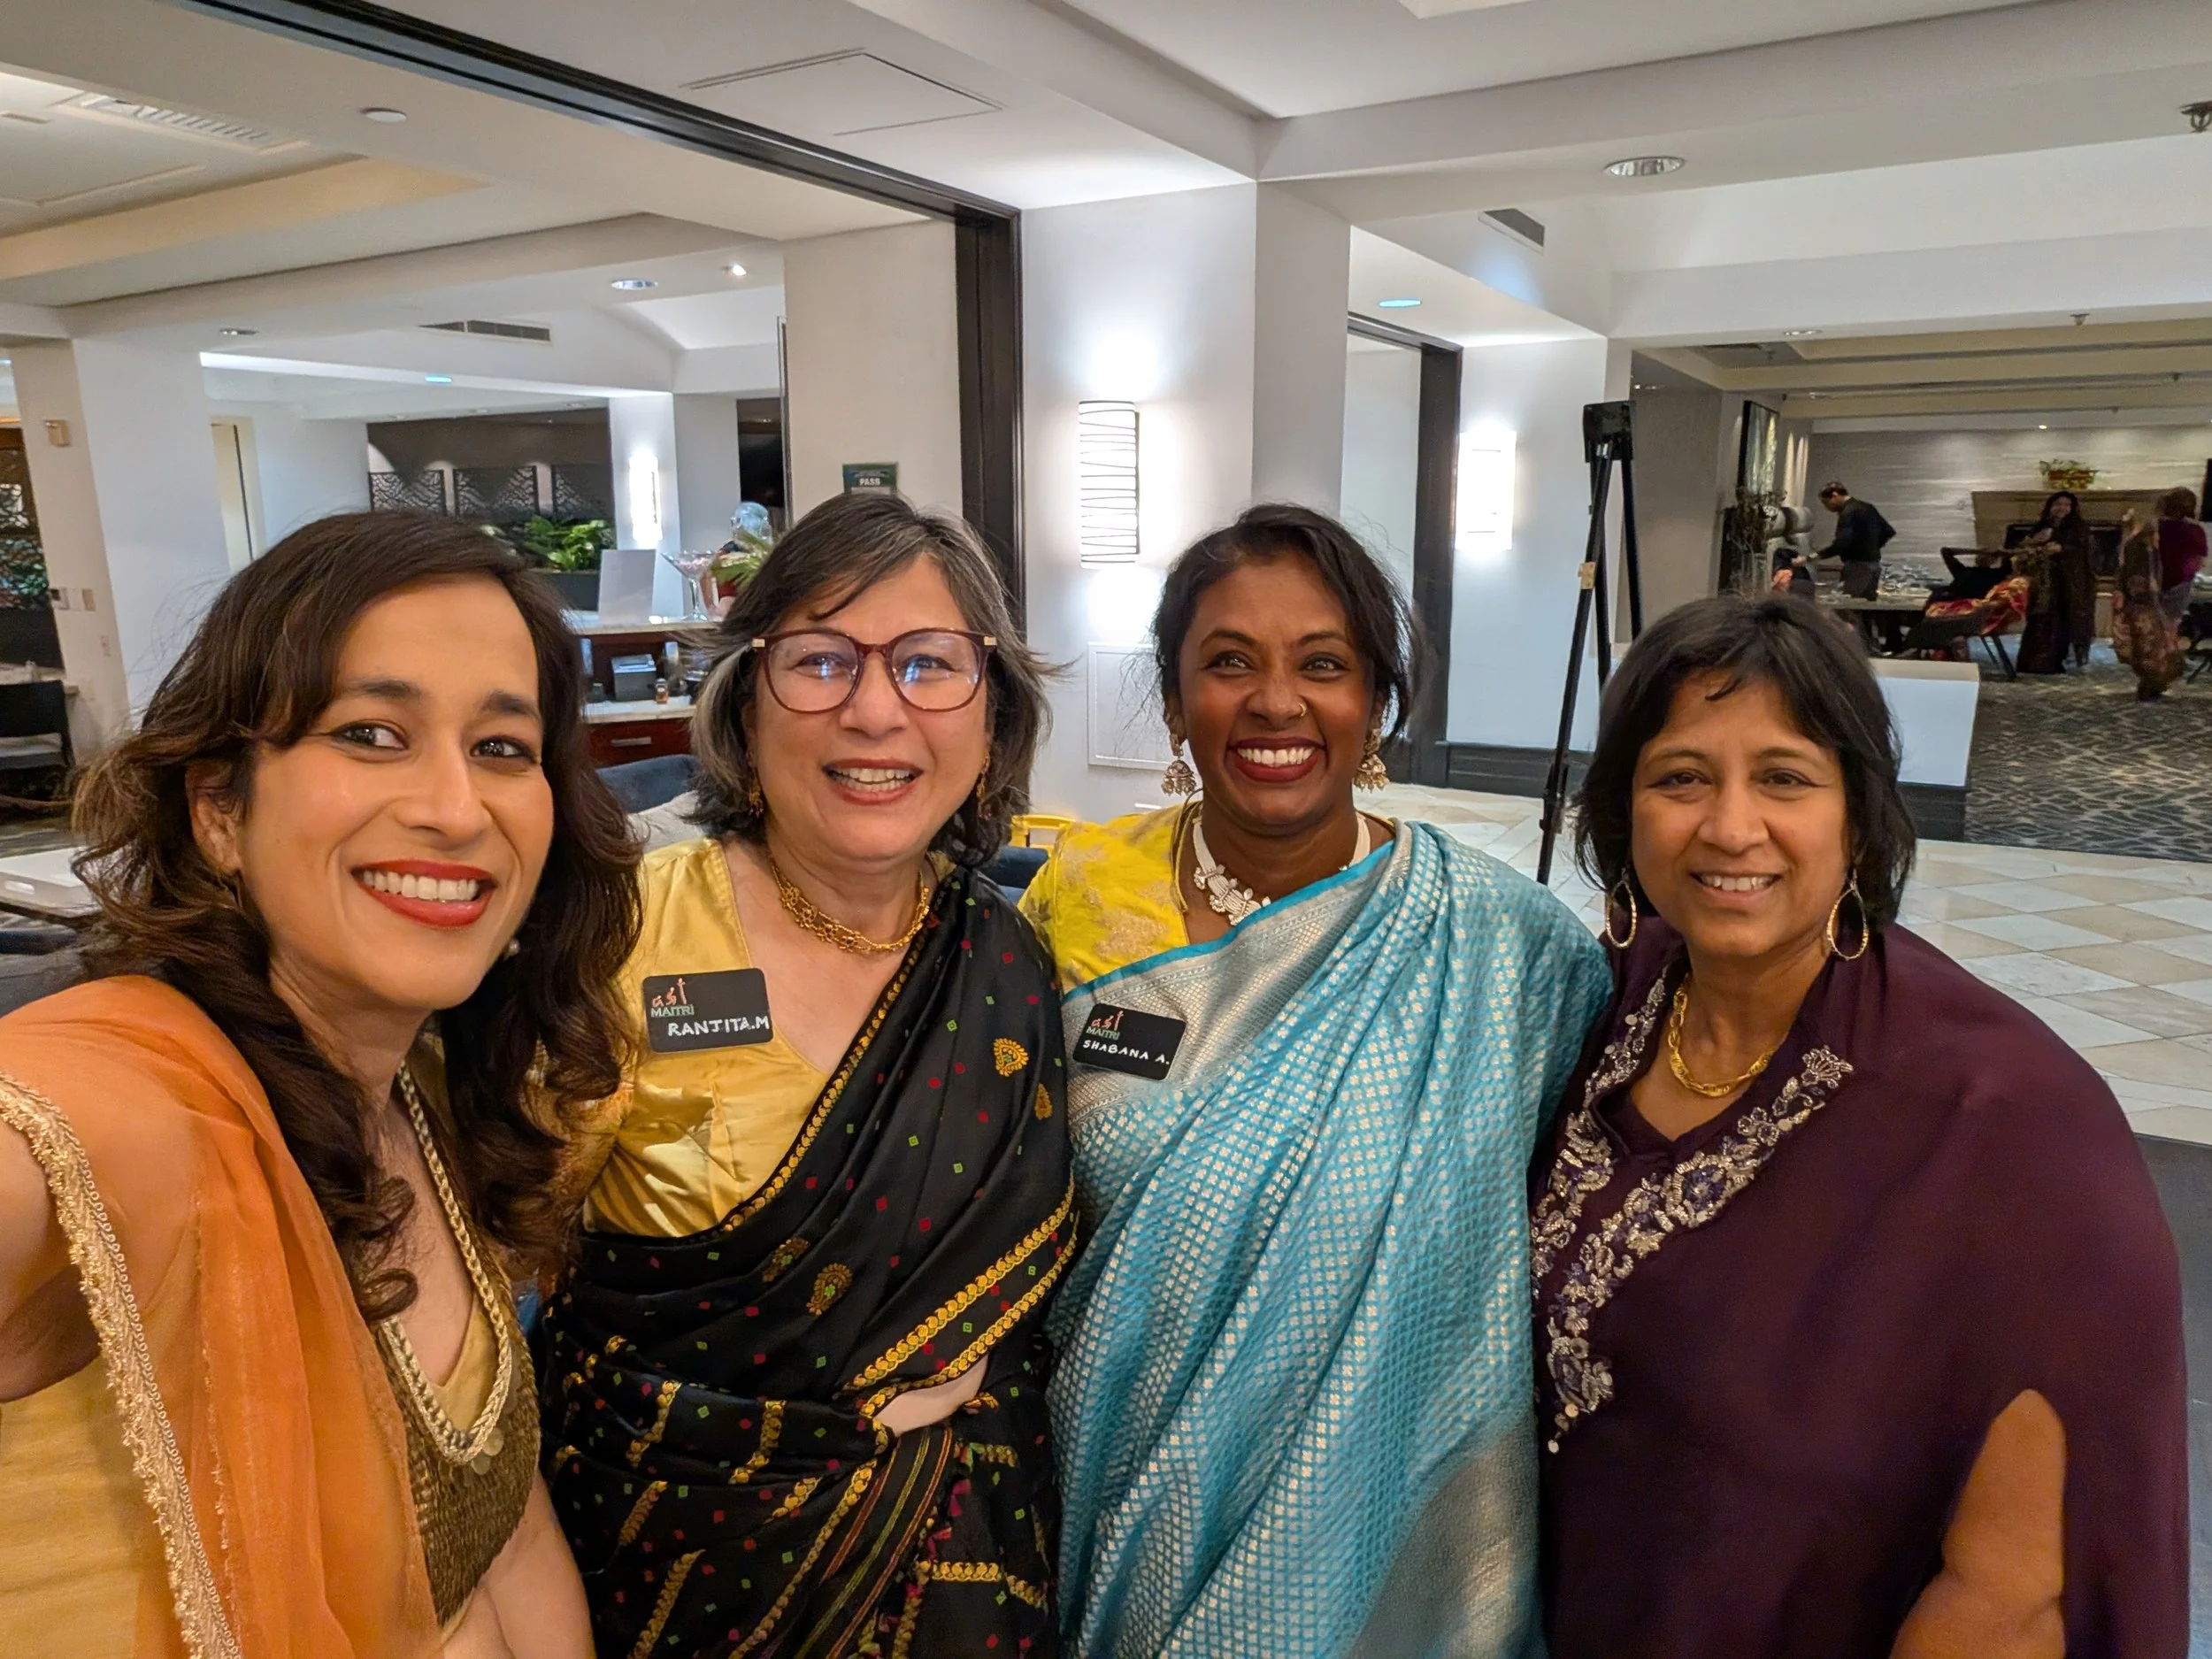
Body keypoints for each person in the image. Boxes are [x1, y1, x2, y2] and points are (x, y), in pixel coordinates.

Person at [0, 512, 641, 1655]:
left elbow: (496, 1515)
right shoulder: (134, 1105)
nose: (456, 806)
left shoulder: (433, 1093)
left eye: (503, 747)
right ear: (217, 809)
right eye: (372, 733)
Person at [1535, 595, 2186, 1657]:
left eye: (1784, 778)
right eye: (1680, 777)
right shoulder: (1605, 1001)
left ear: (1857, 813)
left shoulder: (2005, 1128)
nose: (1729, 827)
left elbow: (2012, 1594)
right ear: (1623, 809)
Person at [1024, 503, 1611, 1657]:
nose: (1277, 702)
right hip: (1117, 1490)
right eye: (1228, 661)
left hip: (1386, 1532)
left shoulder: (1503, 947)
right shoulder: (1076, 902)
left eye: (1324, 664)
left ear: (1379, 700)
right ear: (1175, 694)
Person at [540, 492, 1071, 1658]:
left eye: (929, 663)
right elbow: (488, 1272)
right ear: (744, 701)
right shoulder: (617, 939)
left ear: (992, 712)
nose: (876, 709)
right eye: (821, 660)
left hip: (959, 1560)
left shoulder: (1011, 958)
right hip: (666, 1561)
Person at [2015, 490, 2095, 673]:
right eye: (2058, 504)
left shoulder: (2078, 527)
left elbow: (2082, 552)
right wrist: (2036, 543)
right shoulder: (2042, 526)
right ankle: (2033, 663)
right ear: (2051, 506)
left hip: (2068, 584)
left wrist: (2061, 549)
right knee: (2040, 619)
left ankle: (2053, 662)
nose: (2062, 508)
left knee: (2060, 622)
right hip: (2044, 582)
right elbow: (2026, 547)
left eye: (2067, 505)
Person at [2115, 508, 2182, 700]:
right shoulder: (2143, 547)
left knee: (2147, 645)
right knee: (2151, 644)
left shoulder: (2135, 545)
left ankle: (2151, 683)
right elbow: (2145, 579)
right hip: (2146, 604)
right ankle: (2152, 683)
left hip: (2142, 603)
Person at [1814, 480, 1895, 599]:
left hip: (1857, 567)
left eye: (1826, 503)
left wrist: (1815, 556)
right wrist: (1871, 547)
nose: (1827, 508)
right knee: (1867, 606)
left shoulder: (1848, 512)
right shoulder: (1867, 507)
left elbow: (1842, 543)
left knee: (1848, 605)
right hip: (1874, 565)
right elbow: (1888, 531)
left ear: (1835, 495)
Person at [2155, 485, 2206, 636]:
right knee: (2171, 625)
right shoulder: (2196, 530)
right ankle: (2170, 647)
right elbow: (2199, 561)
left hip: (2155, 581)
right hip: (2180, 583)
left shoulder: (2156, 527)